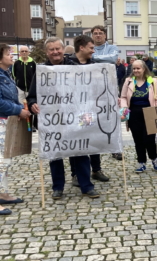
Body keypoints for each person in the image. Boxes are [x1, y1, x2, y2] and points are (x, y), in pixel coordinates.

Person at [27, 37, 100, 200]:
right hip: (52, 120)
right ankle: (58, 187)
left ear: (63, 49)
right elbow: (31, 96)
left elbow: (88, 91)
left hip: (74, 118)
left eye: (58, 49)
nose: (55, 52)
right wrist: (32, 105)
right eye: (51, 50)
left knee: (81, 152)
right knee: (55, 155)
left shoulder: (74, 67)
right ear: (47, 52)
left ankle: (86, 186)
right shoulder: (41, 71)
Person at [0, 43, 31, 215]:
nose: (12, 56)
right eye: (8, 53)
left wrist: (20, 109)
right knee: (1, 161)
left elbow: (13, 96)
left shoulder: (5, 73)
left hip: (5, 120)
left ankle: (3, 194)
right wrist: (18, 110)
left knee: (6, 159)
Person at [68, 35, 110, 186]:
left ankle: (96, 169)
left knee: (92, 138)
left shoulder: (94, 65)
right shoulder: (68, 64)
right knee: (76, 141)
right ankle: (75, 174)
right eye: (91, 48)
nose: (93, 51)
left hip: (89, 109)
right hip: (73, 110)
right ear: (82, 47)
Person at [120, 60, 157, 173]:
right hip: (134, 113)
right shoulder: (128, 81)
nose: (136, 70)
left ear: (144, 69)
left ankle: (154, 159)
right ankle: (141, 162)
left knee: (149, 140)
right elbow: (123, 97)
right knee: (138, 140)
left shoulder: (152, 81)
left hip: (150, 113)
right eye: (134, 68)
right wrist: (124, 107)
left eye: (138, 68)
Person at [90, 25, 121, 160]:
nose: (98, 35)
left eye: (100, 33)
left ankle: (114, 148)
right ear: (92, 35)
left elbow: (113, 59)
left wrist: (94, 57)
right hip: (91, 88)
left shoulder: (112, 48)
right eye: (95, 33)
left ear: (104, 35)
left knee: (112, 117)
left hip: (110, 87)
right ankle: (90, 145)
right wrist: (102, 58)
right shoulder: (89, 47)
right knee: (90, 117)